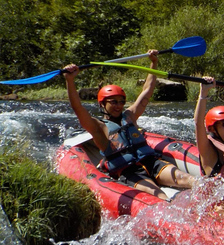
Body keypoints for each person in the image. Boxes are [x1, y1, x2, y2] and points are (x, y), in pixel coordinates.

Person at [62, 50, 196, 200]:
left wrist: (154, 63)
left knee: (190, 180)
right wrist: (70, 81)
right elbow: (78, 108)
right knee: (160, 196)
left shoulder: (130, 116)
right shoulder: (98, 127)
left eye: (121, 102)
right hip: (129, 171)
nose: (118, 106)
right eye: (113, 102)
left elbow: (146, 92)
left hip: (150, 162)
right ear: (102, 104)